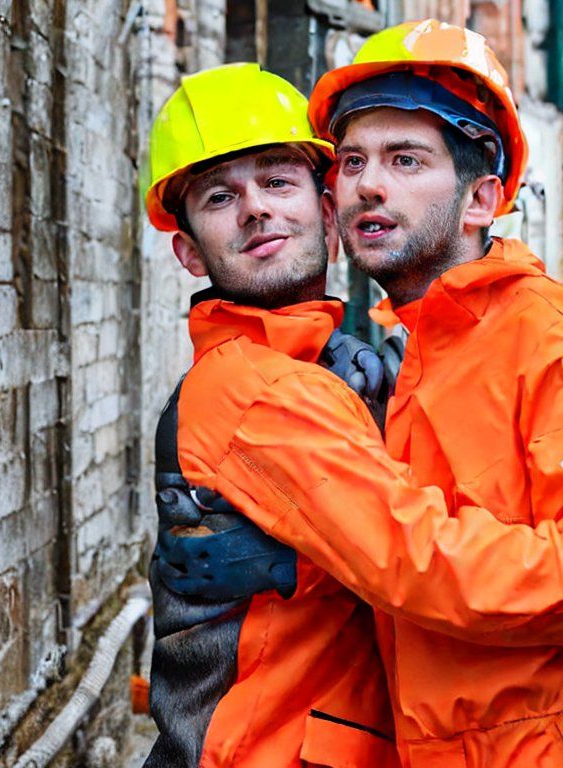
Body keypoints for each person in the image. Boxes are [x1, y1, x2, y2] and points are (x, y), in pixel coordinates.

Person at [162, 19, 563, 768]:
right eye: (352, 161)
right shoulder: (398, 362)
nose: (370, 183)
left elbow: (412, 556)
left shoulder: (541, 339)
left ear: (481, 200)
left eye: (405, 159)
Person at [143, 62, 399, 768]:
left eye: (278, 182)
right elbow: (416, 562)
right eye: (221, 196)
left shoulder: (330, 363)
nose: (255, 208)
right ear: (189, 252)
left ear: (327, 215)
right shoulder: (250, 390)